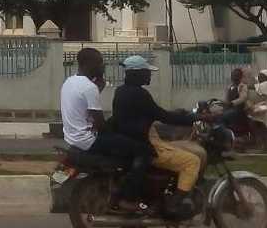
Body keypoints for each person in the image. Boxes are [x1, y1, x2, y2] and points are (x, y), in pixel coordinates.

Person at [111, 55, 205, 220]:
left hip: (135, 140)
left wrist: (177, 114)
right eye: (147, 72)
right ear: (137, 73)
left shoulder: (121, 91)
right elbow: (162, 116)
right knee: (192, 161)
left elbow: (154, 114)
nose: (150, 75)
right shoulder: (140, 94)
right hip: (145, 144)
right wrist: (196, 118)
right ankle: (173, 205)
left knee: (179, 148)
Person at [60, 48, 153, 214]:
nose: (103, 66)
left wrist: (99, 86)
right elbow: (101, 124)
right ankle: (127, 198)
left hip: (73, 138)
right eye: (100, 62)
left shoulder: (69, 82)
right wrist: (118, 133)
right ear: (89, 64)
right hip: (89, 140)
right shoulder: (89, 87)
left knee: (124, 145)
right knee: (143, 150)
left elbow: (84, 109)